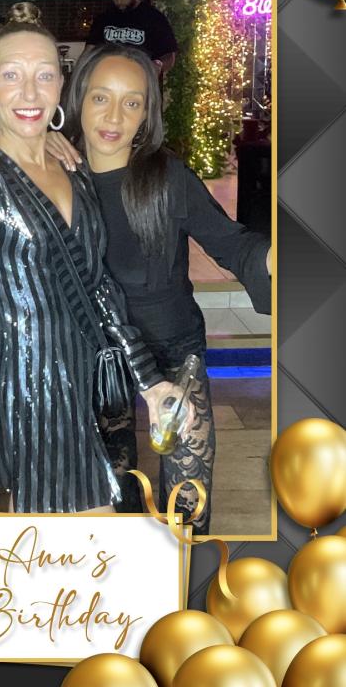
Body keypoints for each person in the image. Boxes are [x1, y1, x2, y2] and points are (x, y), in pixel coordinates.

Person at [0, 19, 185, 514]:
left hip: (85, 386)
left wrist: (148, 380)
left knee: (56, 540)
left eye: (44, 75)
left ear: (61, 85)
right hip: (30, 392)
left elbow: (98, 287)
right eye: (11, 75)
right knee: (76, 530)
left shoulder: (73, 172)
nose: (30, 91)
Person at [64, 45, 271, 532]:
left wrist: (275, 257)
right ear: (79, 100)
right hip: (99, 355)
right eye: (101, 98)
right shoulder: (58, 179)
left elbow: (231, 243)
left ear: (147, 113)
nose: (114, 116)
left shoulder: (166, 176)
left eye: (132, 102)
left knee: (188, 501)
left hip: (176, 346)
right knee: (112, 499)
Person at [85, 0, 177, 75]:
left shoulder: (154, 18)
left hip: (141, 80)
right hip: (109, 79)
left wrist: (157, 66)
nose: (119, 0)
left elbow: (169, 57)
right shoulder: (103, 19)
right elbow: (88, 53)